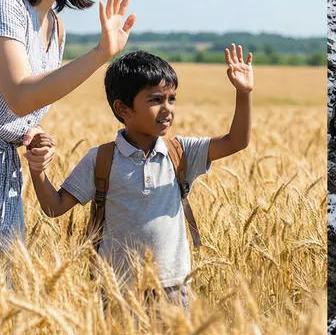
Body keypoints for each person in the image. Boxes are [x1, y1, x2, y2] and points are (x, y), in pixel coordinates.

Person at [24, 47, 253, 308]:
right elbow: (54, 207)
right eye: (155, 100)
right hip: (117, 290)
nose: (167, 109)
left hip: (173, 287)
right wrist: (37, 169)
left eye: (172, 99)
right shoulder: (101, 160)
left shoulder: (180, 152)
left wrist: (243, 93)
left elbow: (237, 141)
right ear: (123, 109)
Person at [0, 0, 134, 260]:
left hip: (7, 177)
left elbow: (19, 108)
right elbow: (20, 95)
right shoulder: (6, 2)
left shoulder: (56, 26)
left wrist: (31, 133)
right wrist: (100, 54)